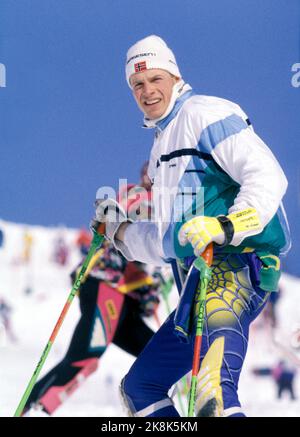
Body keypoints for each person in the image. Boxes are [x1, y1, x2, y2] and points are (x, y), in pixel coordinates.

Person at [93, 35, 291, 417]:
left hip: (234, 267)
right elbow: (171, 241)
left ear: (174, 77)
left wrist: (228, 224)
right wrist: (119, 232)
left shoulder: (205, 113)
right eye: (138, 84)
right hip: (195, 288)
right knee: (141, 387)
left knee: (211, 394)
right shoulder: (161, 147)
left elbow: (267, 175)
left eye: (156, 79)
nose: (147, 90)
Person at [23, 167, 163, 416]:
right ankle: (35, 409)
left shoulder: (152, 200)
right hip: (108, 285)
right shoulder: (144, 199)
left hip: (126, 300)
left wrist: (152, 290)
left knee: (161, 355)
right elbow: (139, 242)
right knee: (85, 357)